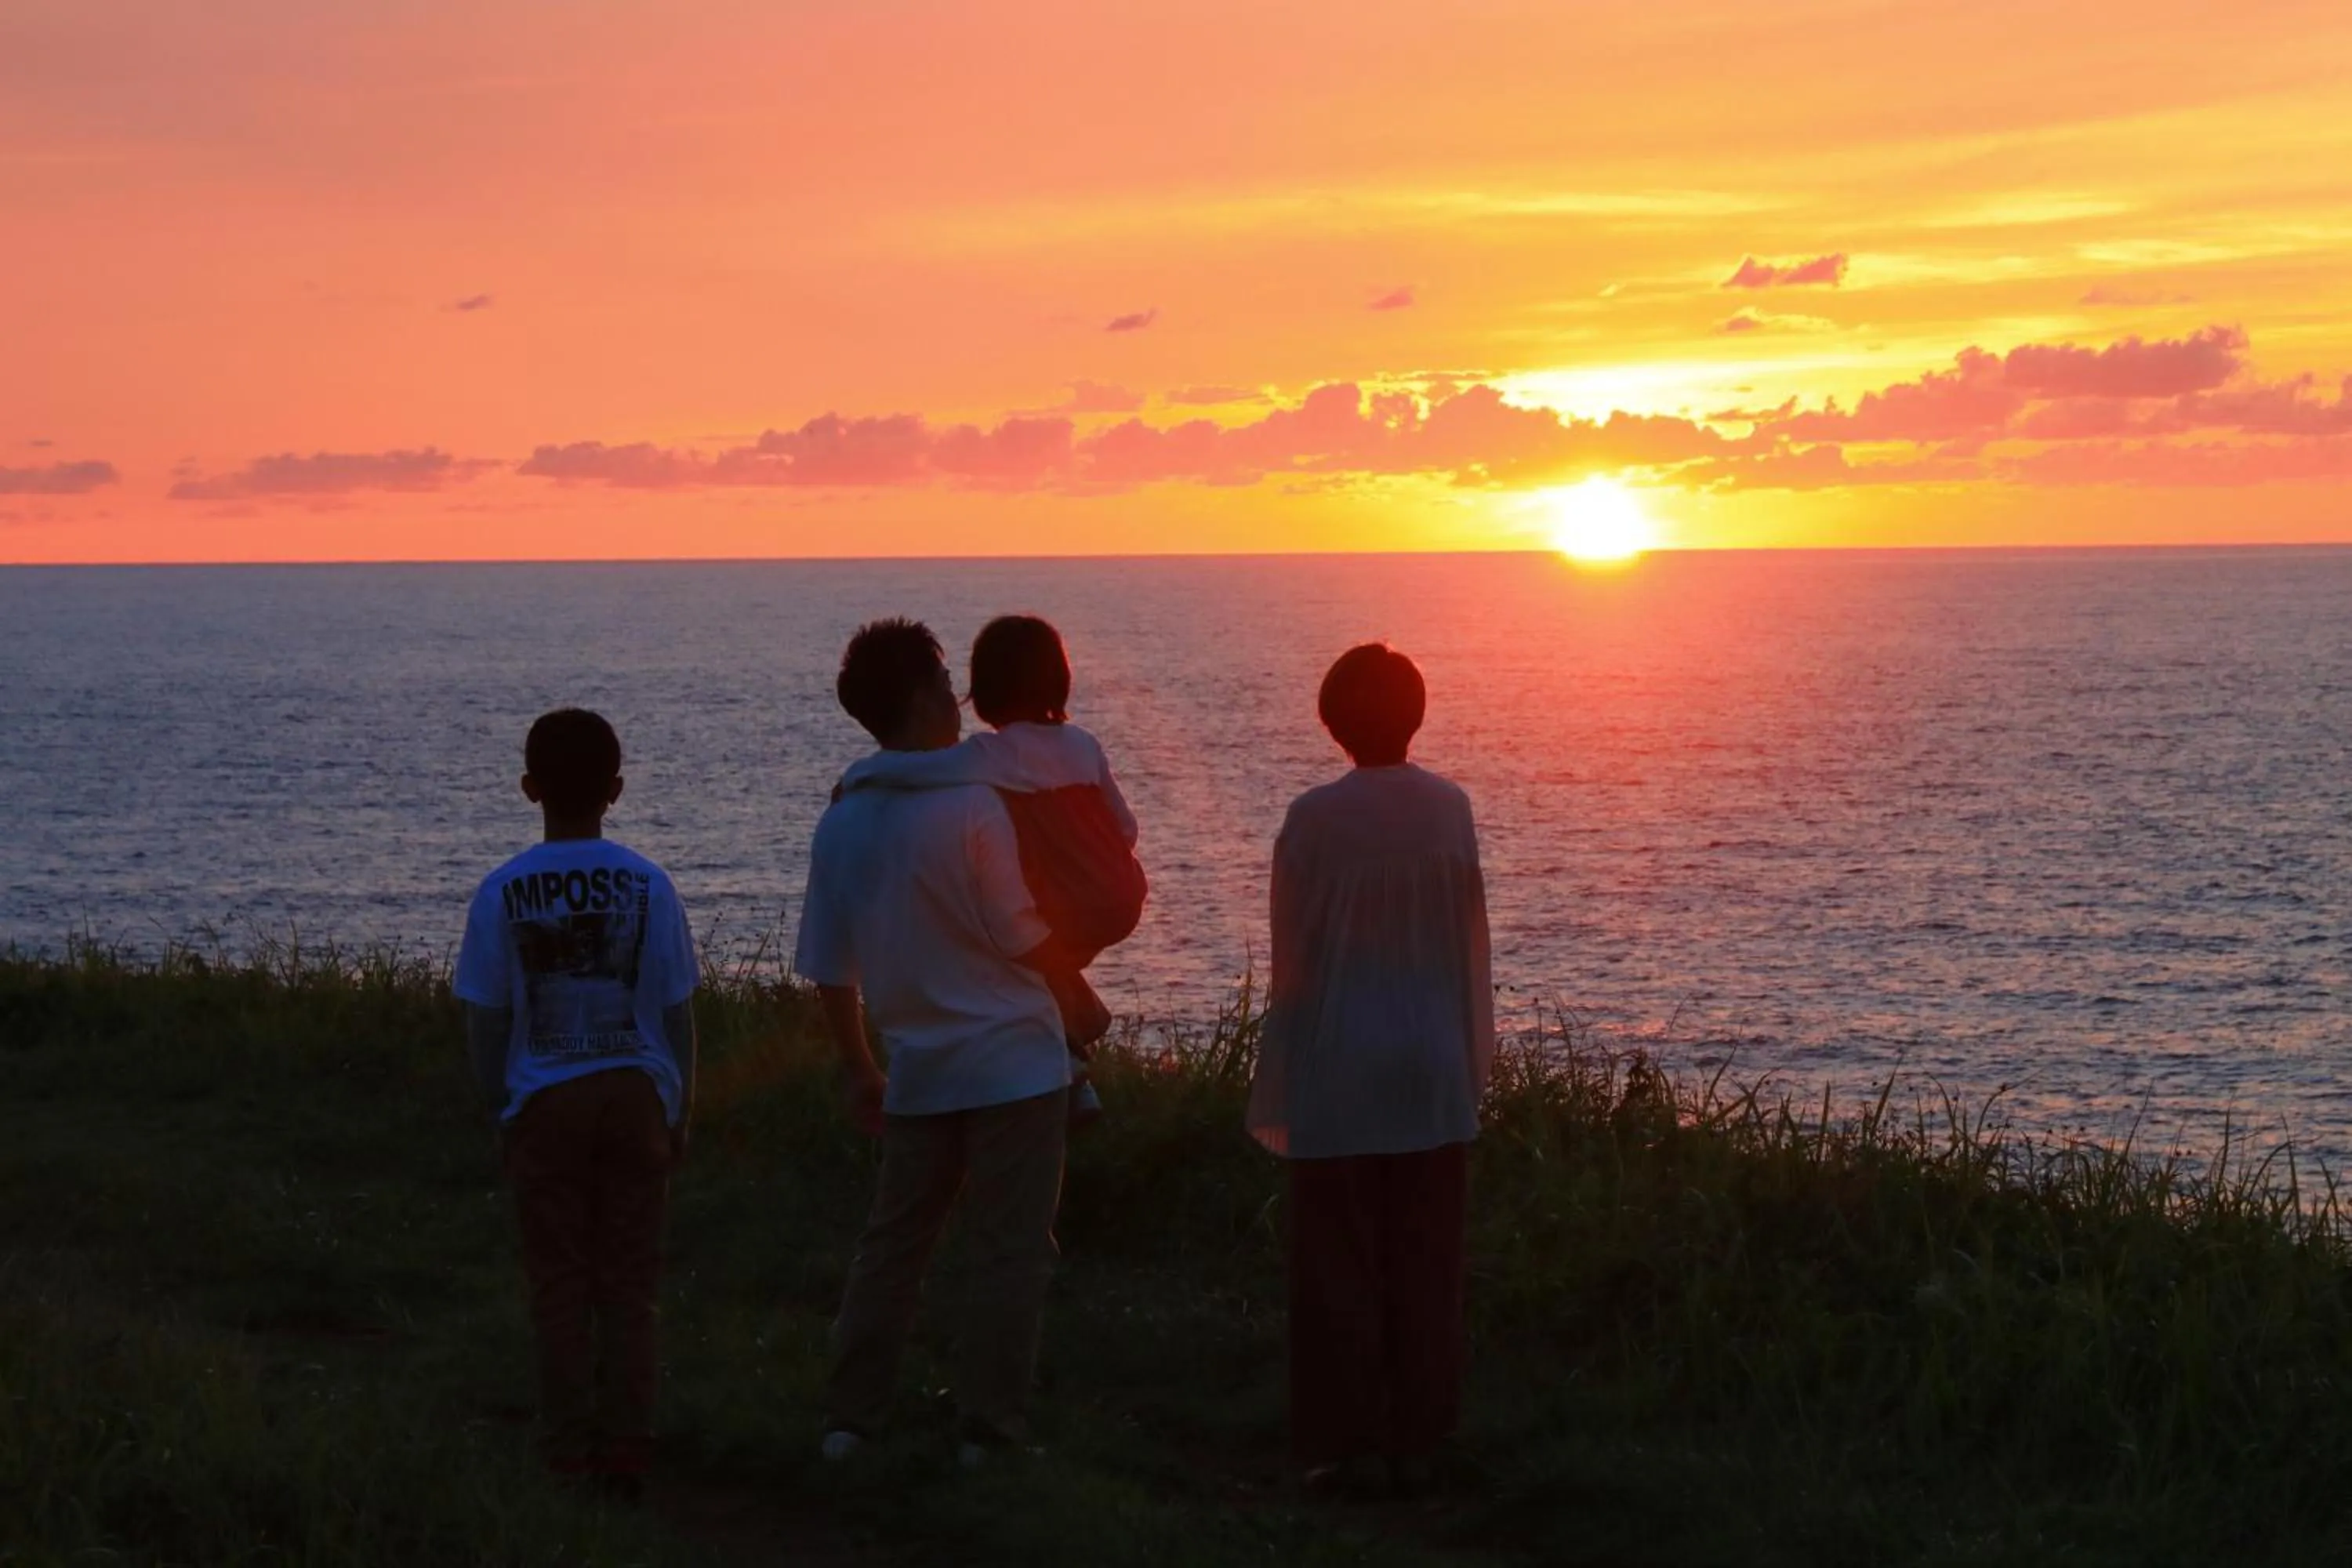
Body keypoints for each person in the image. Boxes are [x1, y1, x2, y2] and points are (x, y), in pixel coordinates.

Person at [796, 619, 1074, 1466]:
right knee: (1009, 1249)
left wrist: (856, 1066)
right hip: (1018, 1060)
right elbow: (1017, 927)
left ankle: (851, 1417)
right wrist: (1082, 996)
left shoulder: (842, 819)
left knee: (893, 1246)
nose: (959, 701)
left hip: (917, 1065)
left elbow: (829, 967)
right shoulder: (973, 804)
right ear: (922, 696)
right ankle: (988, 1427)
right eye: (948, 682)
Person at [1245, 644, 1494, 1494]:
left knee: (1338, 1264)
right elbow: (1469, 941)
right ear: (1416, 714)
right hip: (1430, 1060)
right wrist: (1472, 1058)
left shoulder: (1312, 819)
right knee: (1426, 1260)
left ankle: (1341, 1444)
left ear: (1332, 722)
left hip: (1338, 1064)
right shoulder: (1450, 808)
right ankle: (1424, 1433)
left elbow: (1292, 958)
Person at [453, 707, 699, 1498]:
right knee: (629, 1277)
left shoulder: (501, 891)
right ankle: (629, 1442)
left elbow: (486, 1016)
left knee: (559, 1278)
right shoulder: (650, 882)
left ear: (529, 787)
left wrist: (501, 1107)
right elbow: (677, 1010)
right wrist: (680, 1103)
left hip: (546, 1099)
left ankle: (566, 1445)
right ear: (616, 789)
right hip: (634, 1094)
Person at [834, 613, 1145, 1127]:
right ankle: (1075, 1024)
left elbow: (918, 769)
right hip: (1122, 895)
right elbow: (1127, 828)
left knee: (1006, 932)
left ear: (983, 692)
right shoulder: (1085, 745)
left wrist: (857, 782)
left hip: (1064, 906)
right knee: (1035, 949)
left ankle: (1071, 1069)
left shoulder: (988, 754)